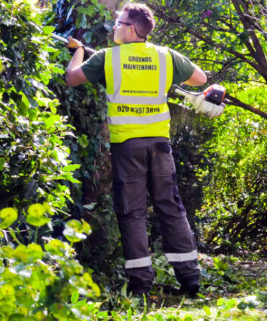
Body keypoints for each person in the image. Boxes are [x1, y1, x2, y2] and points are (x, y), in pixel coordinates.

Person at [64, 3, 209, 297]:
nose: (115, 26)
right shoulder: (166, 56)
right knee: (170, 208)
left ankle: (141, 285)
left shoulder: (108, 58)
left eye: (119, 22)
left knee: (132, 212)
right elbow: (201, 79)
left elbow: (72, 78)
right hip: (159, 145)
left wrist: (77, 49)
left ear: (131, 29)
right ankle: (190, 280)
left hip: (127, 147)